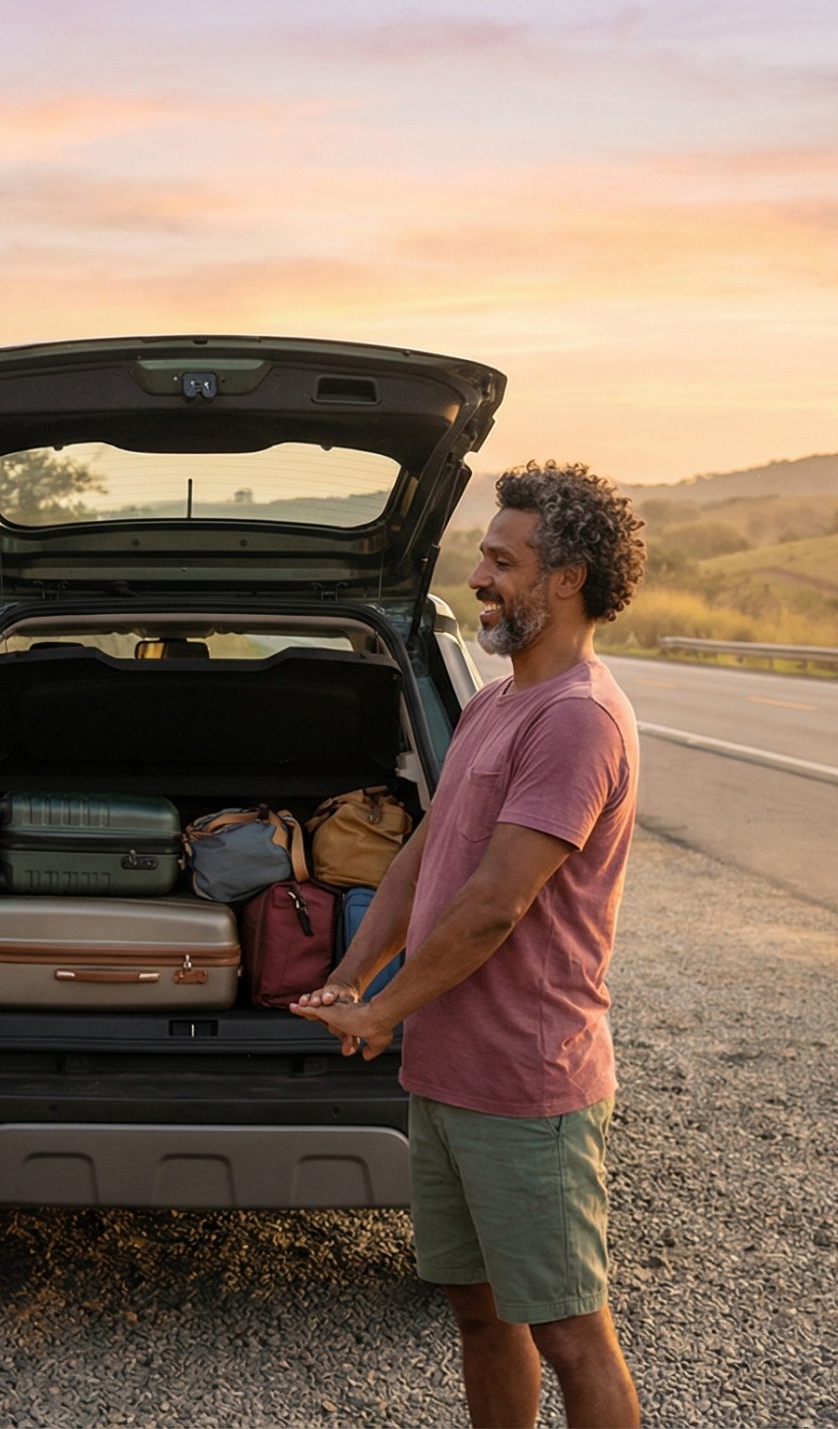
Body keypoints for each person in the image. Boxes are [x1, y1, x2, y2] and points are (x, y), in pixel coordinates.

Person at [295, 461, 648, 1428]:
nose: (479, 576)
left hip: (527, 1085)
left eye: (502, 558)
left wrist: (382, 1014)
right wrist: (352, 974)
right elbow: (424, 851)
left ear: (566, 577)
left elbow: (496, 903)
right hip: (449, 1073)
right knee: (479, 1307)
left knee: (571, 1330)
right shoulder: (497, 704)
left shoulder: (577, 718)